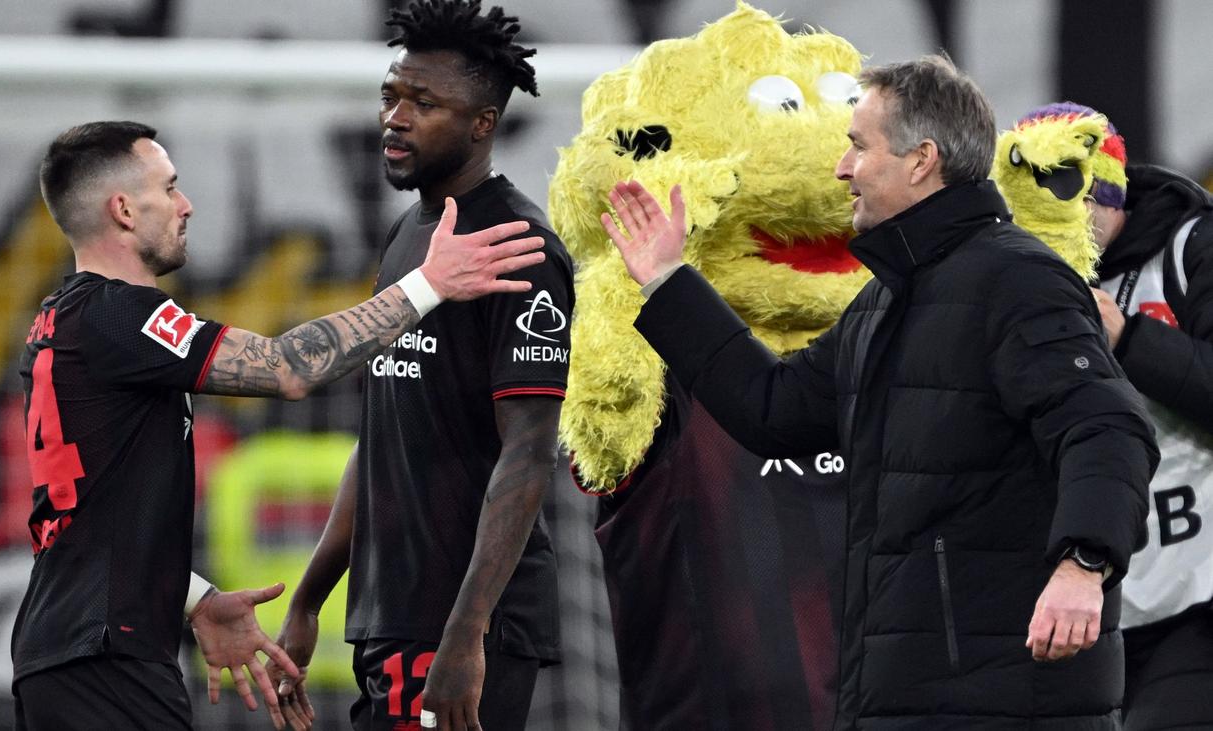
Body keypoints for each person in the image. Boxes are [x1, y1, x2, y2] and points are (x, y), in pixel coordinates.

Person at [602, 56, 1159, 728]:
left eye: (858, 146)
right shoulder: (882, 302)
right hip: (904, 693)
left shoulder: (1018, 280)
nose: (842, 168)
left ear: (921, 160)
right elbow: (772, 409)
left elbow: (1108, 427)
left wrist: (1083, 563)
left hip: (1010, 699)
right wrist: (668, 282)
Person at [13, 120, 546, 730]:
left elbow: (88, 515)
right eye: (170, 187)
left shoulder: (60, 320)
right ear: (124, 210)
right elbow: (287, 367)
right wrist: (429, 284)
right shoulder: (118, 315)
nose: (186, 205)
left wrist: (196, 600)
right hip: (104, 658)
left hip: (71, 647)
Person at [273, 2, 574, 731]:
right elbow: (382, 436)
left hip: (462, 627)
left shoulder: (518, 249)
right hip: (392, 617)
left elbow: (529, 453)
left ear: (482, 124)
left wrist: (466, 633)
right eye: (390, 96)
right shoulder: (411, 235)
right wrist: (309, 600)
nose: (395, 119)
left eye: (424, 104)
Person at [1024, 101, 1213, 730]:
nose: (1062, 219)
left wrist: (1128, 337)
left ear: (1110, 190)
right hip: (1094, 609)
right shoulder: (1024, 286)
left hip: (1201, 590)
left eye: (1072, 193)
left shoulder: (1191, 247)